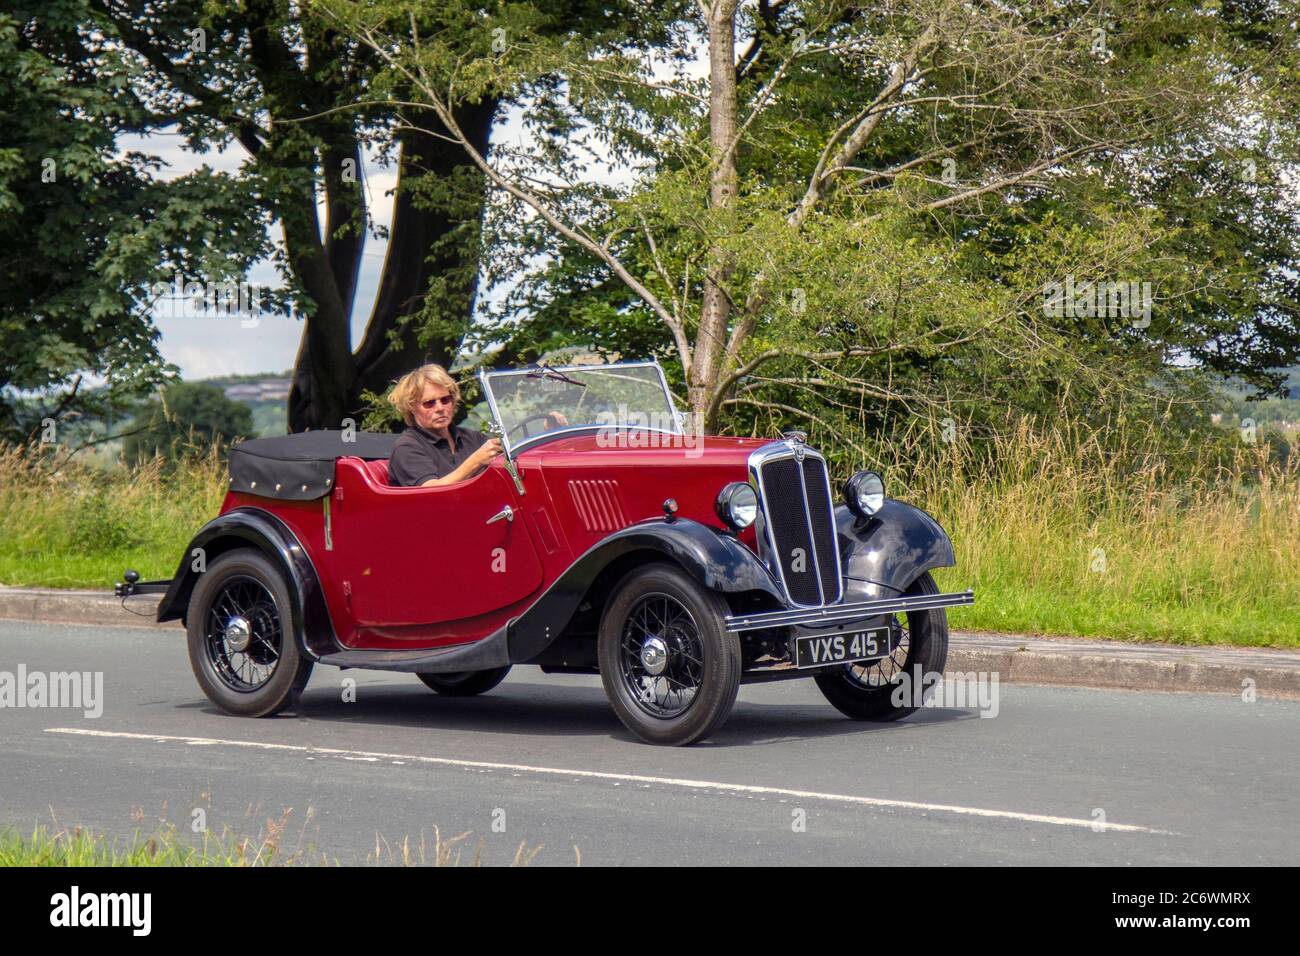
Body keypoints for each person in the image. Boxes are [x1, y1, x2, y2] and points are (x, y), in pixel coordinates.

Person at [386, 364, 502, 487]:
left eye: (445, 400)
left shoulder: (473, 438)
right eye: (429, 403)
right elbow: (430, 491)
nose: (440, 408)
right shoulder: (406, 448)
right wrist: (476, 461)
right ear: (412, 408)